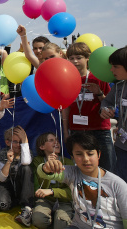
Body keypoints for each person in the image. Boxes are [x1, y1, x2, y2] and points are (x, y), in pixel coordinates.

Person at [38, 132, 127, 229]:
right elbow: (44, 173)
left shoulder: (118, 184)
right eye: (79, 154)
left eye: (90, 154)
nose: (85, 159)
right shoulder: (72, 173)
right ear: (73, 157)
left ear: (99, 154)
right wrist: (46, 167)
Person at [62, 42, 114, 172]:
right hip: (77, 130)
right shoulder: (66, 78)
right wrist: (66, 131)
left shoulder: (98, 77)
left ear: (87, 58)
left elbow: (109, 103)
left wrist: (99, 93)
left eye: (79, 58)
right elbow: (66, 107)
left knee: (107, 169)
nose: (75, 61)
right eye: (71, 58)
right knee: (83, 170)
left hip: (99, 130)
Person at [31, 132, 74, 229]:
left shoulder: (67, 162)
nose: (56, 142)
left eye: (57, 140)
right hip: (45, 200)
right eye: (51, 140)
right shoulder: (38, 161)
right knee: (39, 220)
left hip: (64, 201)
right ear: (42, 146)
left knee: (62, 224)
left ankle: (57, 219)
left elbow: (71, 192)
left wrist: (53, 192)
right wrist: (47, 167)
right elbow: (39, 187)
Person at [0, 126, 34, 227]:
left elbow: (26, 162)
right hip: (7, 185)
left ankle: (27, 207)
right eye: (15, 142)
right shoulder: (4, 153)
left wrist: (25, 140)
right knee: (3, 205)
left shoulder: (26, 152)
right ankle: (15, 202)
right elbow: (1, 178)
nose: (19, 145)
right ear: (8, 142)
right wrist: (9, 161)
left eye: (21, 142)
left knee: (26, 168)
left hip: (21, 186)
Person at [100, 46, 127, 182]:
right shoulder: (118, 87)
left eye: (116, 66)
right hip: (122, 146)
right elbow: (106, 102)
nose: (111, 70)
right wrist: (105, 109)